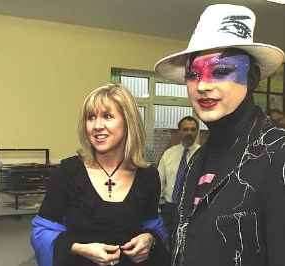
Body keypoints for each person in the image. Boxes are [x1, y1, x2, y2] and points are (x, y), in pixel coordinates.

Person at [154, 4, 285, 266]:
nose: (202, 85)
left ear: (252, 78)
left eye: (222, 71)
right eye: (193, 74)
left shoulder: (277, 153)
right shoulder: (197, 159)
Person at [31, 84, 169, 266]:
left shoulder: (148, 175)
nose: (97, 126)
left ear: (128, 122)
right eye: (91, 118)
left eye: (108, 116)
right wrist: (78, 248)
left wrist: (150, 240)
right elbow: (42, 233)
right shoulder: (67, 173)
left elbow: (154, 228)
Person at [157, 116, 200, 242]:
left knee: (188, 245)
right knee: (166, 243)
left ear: (197, 131)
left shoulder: (204, 154)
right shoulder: (169, 154)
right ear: (179, 131)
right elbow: (159, 182)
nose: (189, 133)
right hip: (169, 209)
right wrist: (158, 208)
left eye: (193, 129)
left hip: (192, 210)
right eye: (185, 129)